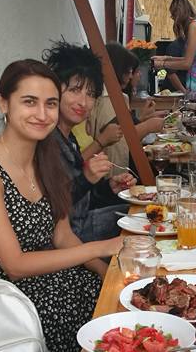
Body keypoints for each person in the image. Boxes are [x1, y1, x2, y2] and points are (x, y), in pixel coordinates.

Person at [0, 60, 123, 352]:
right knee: (87, 313)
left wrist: (109, 276)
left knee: (111, 302)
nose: (42, 114)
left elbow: (62, 236)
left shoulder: (46, 160)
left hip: (44, 277)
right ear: (3, 102)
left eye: (50, 104)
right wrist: (102, 247)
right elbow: (14, 264)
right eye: (29, 102)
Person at [42, 40, 135, 241]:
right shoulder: (45, 140)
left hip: (83, 224)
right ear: (54, 89)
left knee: (143, 216)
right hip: (66, 239)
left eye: (91, 94)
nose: (83, 102)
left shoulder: (68, 137)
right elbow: (50, 207)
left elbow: (83, 198)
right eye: (75, 90)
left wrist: (109, 187)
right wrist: (86, 178)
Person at [80, 41, 166, 174]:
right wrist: (148, 126)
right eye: (129, 71)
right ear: (118, 69)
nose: (132, 76)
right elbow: (118, 142)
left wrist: (144, 118)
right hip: (113, 174)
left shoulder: (118, 96)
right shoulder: (107, 98)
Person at [152, 0, 196, 103]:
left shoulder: (193, 26)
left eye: (173, 15)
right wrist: (166, 58)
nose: (172, 18)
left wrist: (163, 64)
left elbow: (187, 63)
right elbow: (193, 59)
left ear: (178, 13)